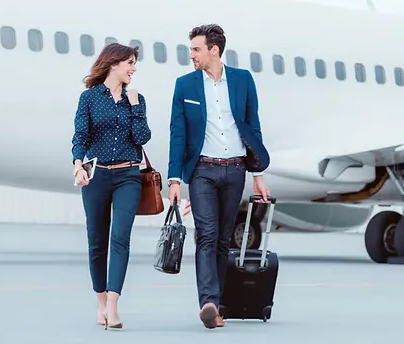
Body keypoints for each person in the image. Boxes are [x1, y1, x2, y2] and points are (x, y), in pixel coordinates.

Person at [167, 24, 271, 329]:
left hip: (236, 168)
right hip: (202, 171)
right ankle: (209, 302)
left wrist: (258, 174)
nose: (192, 55)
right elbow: (177, 133)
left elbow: (253, 126)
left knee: (224, 239)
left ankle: (218, 303)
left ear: (215, 50)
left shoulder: (242, 80)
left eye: (197, 49)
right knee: (207, 235)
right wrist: (174, 179)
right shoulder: (184, 85)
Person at [71, 42, 152, 330]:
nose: (133, 69)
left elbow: (142, 137)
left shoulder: (136, 98)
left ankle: (114, 304)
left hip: (129, 175)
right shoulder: (90, 98)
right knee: (97, 241)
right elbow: (80, 134)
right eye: (129, 63)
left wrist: (134, 107)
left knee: (120, 237)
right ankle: (101, 300)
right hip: (97, 176)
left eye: (134, 64)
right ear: (114, 64)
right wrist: (77, 164)